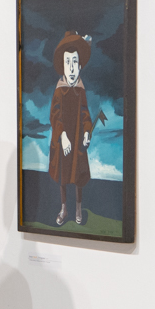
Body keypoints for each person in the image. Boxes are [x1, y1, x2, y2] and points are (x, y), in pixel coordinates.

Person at [48, 31, 93, 226]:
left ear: (80, 65)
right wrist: (63, 136)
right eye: (68, 62)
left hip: (77, 140)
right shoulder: (59, 89)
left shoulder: (81, 90)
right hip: (63, 140)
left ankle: (78, 208)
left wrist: (87, 131)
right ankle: (64, 208)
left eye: (75, 62)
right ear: (63, 66)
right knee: (64, 175)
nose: (72, 67)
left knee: (78, 175)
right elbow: (54, 115)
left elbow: (85, 114)